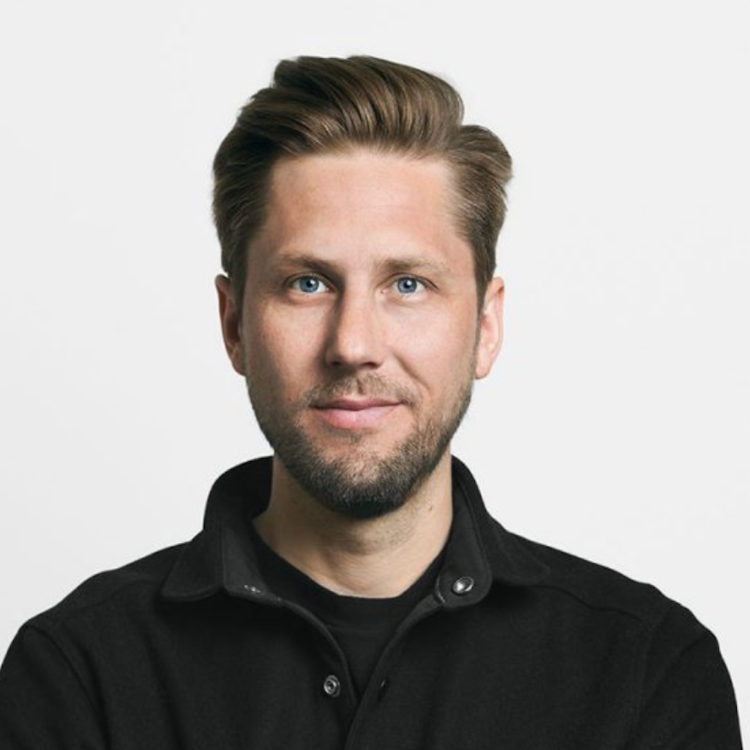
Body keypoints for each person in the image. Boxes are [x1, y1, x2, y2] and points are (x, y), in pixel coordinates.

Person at [0, 55, 742, 749]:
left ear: (485, 328)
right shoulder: (78, 674)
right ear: (234, 326)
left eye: (408, 284)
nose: (353, 344)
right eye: (307, 283)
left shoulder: (644, 672)